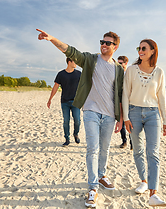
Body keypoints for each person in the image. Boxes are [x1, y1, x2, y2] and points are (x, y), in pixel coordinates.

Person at [37, 29, 124, 208]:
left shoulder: (118, 69)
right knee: (92, 148)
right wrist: (52, 38)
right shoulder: (91, 60)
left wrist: (121, 118)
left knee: (104, 149)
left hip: (109, 115)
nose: (104, 45)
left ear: (115, 47)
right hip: (91, 110)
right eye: (102, 41)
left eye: (108, 43)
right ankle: (93, 187)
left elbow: (121, 94)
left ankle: (101, 176)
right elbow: (71, 51)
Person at [122, 39, 166, 207]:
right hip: (133, 113)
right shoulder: (132, 70)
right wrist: (126, 117)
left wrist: (165, 120)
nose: (140, 51)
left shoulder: (159, 72)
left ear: (152, 51)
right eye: (139, 48)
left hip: (153, 114)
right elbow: (125, 94)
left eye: (144, 48)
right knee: (138, 150)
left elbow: (162, 97)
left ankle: (153, 194)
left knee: (153, 153)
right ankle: (143, 180)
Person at [47, 57, 81, 147]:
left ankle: (76, 134)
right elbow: (55, 87)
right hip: (64, 102)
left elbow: (83, 87)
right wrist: (50, 99)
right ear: (69, 62)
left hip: (76, 102)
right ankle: (67, 139)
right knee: (66, 121)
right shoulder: (61, 74)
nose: (76, 64)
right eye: (75, 62)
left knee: (77, 120)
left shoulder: (79, 74)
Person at [116, 56, 132, 150]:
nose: (119, 65)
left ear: (126, 63)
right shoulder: (117, 75)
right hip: (120, 101)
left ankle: (132, 142)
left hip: (130, 102)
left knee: (130, 122)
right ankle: (124, 141)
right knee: (121, 122)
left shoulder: (130, 74)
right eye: (118, 63)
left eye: (121, 63)